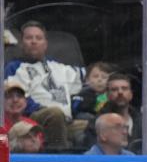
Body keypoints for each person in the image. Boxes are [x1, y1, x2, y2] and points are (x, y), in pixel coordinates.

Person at [3, 21, 85, 150]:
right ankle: (58, 159)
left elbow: (89, 80)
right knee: (54, 113)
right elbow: (17, 101)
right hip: (35, 118)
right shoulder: (15, 67)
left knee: (102, 123)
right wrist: (44, 109)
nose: (34, 41)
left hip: (66, 120)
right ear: (22, 43)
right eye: (29, 38)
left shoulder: (59, 67)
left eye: (38, 38)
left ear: (45, 44)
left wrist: (77, 103)